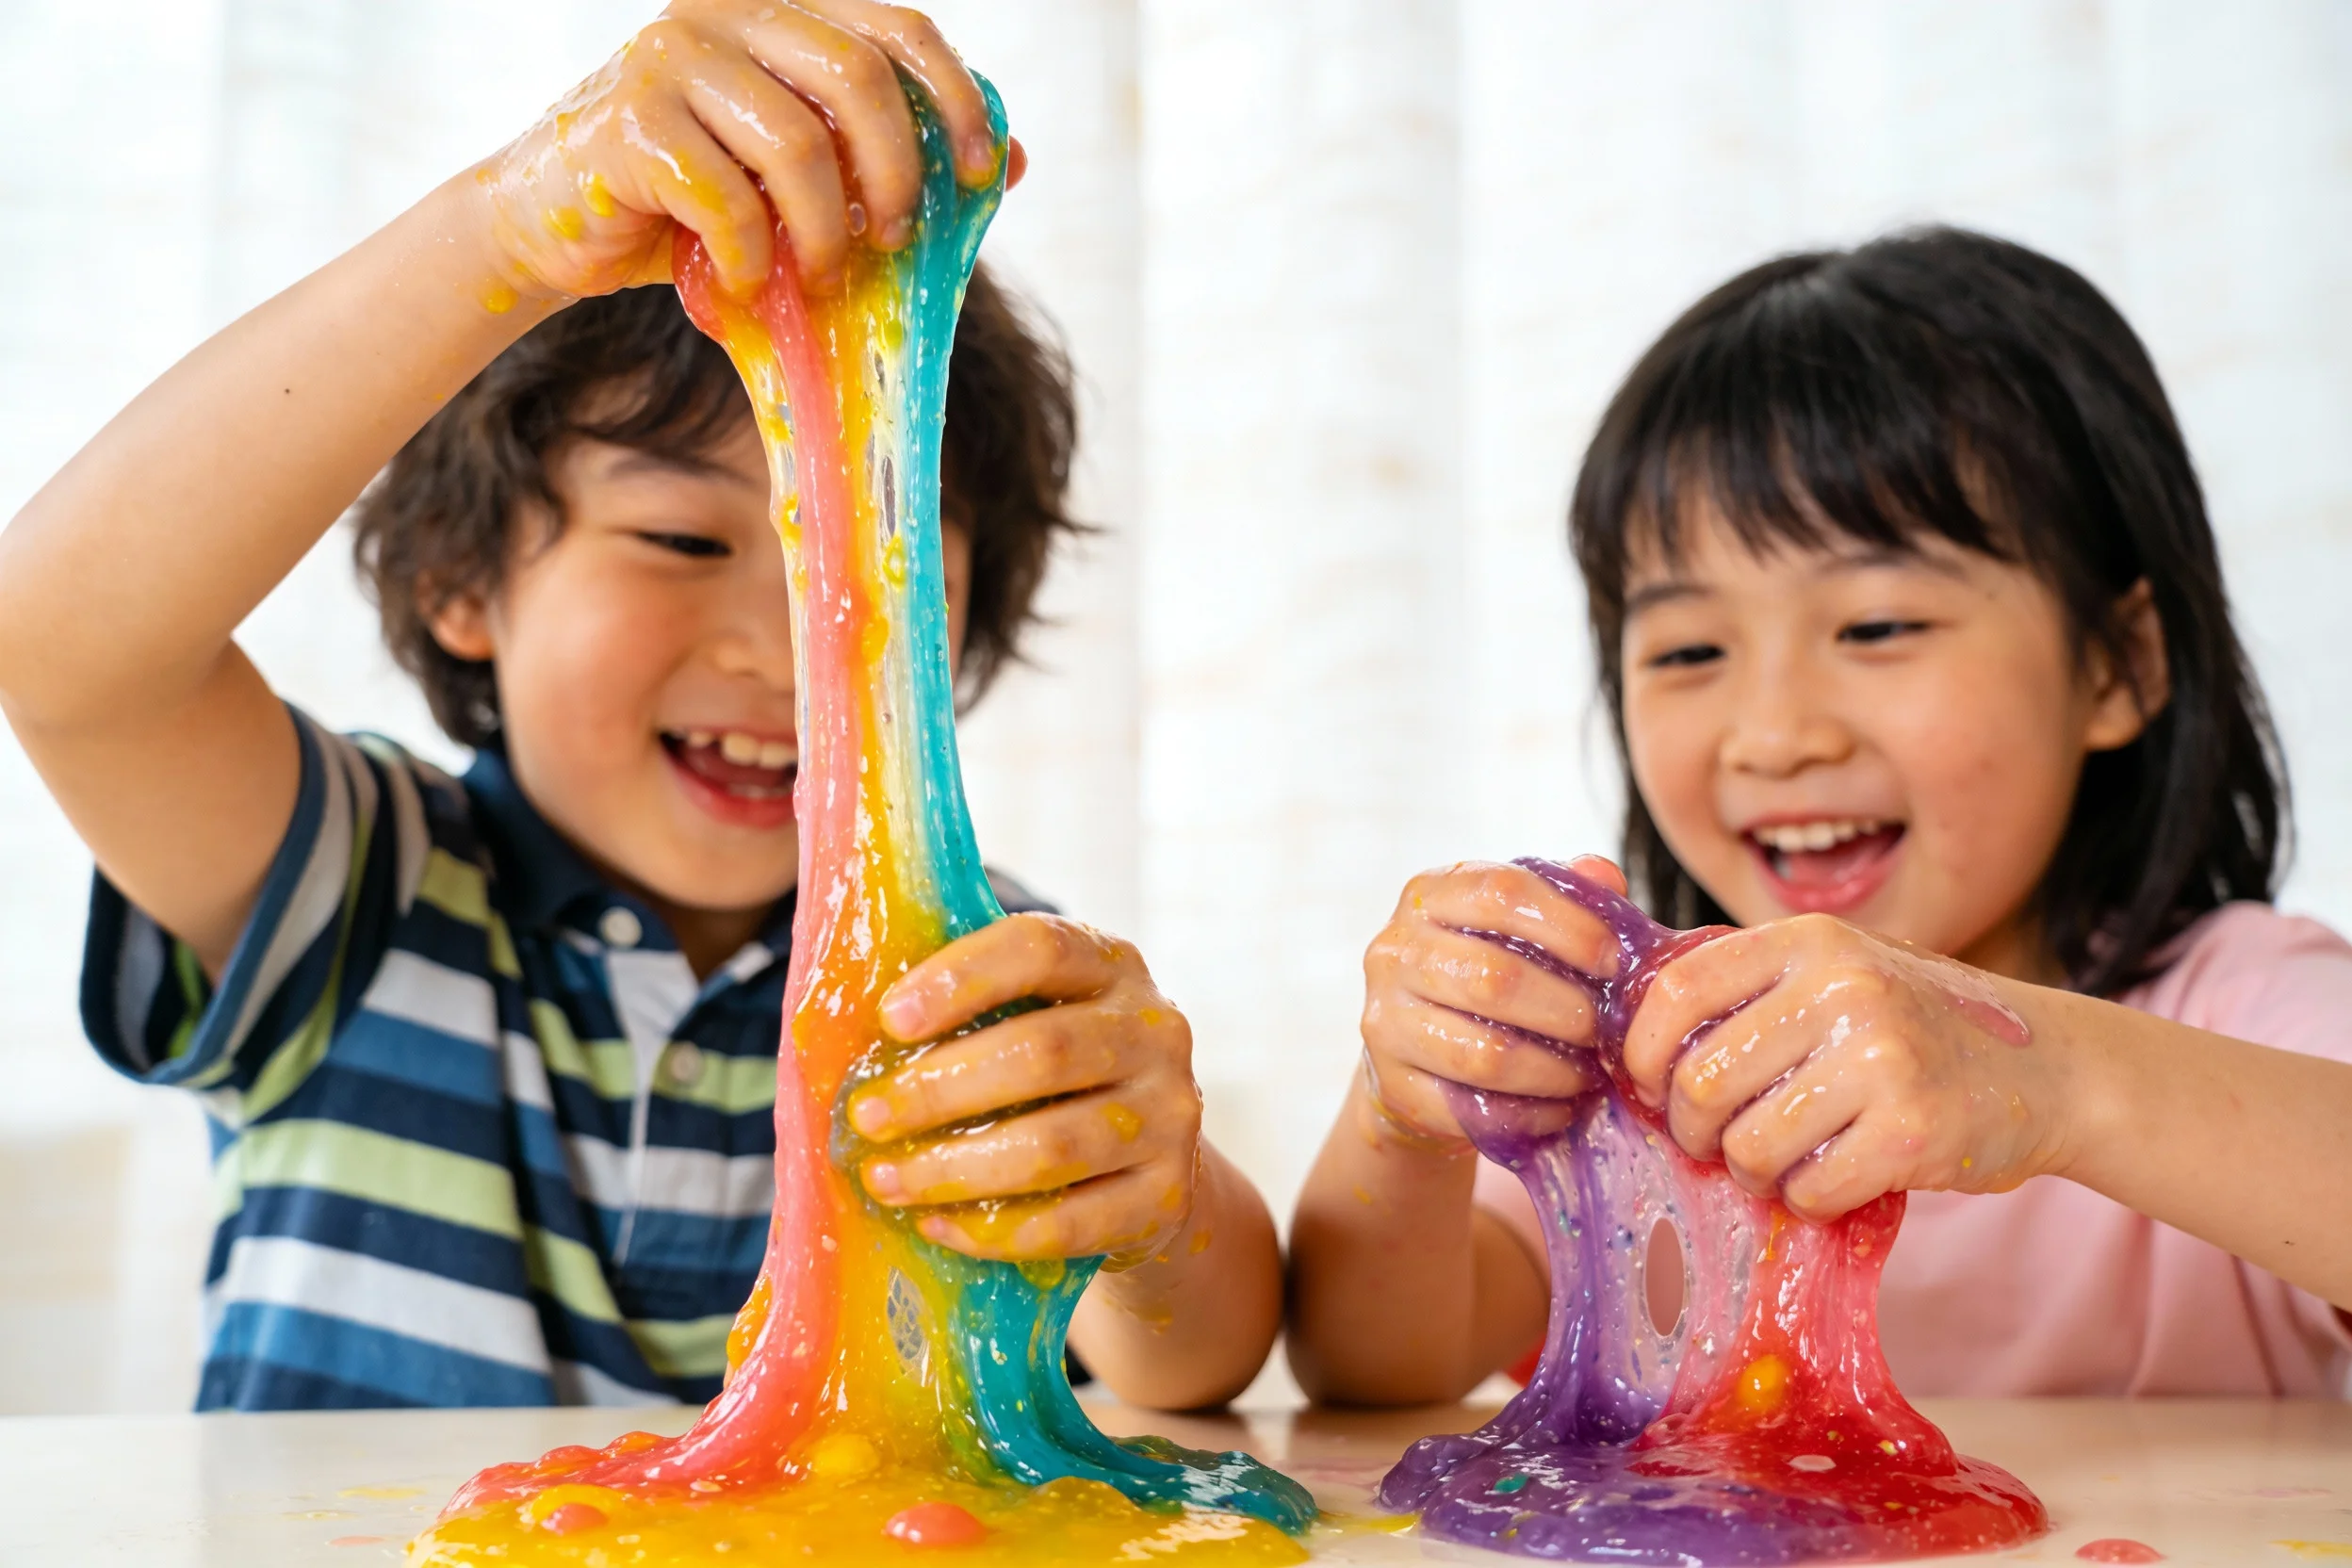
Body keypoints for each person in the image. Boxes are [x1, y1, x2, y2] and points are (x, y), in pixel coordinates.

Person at [0, 0, 1275, 1414]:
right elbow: (66, 648)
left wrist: (1149, 1196)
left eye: (877, 555)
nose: (799, 643)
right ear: (455, 580)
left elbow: (1200, 1364)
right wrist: (505, 231)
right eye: (682, 541)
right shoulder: (357, 883)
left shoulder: (959, 980)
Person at [1290, 227, 2352, 1405]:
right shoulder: (1636, 1070)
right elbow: (1372, 1362)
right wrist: (1407, 1114)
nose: (1776, 731)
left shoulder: (2241, 997)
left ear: (2117, 665)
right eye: (1691, 648)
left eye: (1877, 626)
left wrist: (2053, 1080)